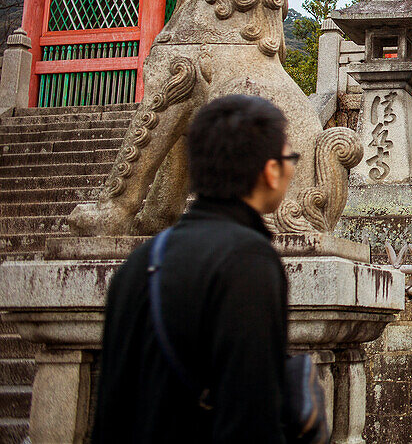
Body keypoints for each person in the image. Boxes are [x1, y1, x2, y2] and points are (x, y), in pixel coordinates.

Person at [93, 95, 298, 443]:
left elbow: (110, 409)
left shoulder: (140, 262)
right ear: (270, 170)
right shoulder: (249, 261)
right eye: (291, 157)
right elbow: (250, 418)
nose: (294, 167)